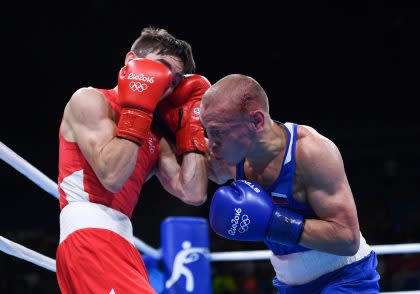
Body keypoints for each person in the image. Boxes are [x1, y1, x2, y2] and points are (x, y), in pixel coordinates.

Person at [56, 27, 210, 293]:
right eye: (160, 68)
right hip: (90, 240)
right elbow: (112, 177)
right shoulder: (91, 100)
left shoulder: (155, 138)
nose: (165, 83)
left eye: (174, 81)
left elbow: (193, 192)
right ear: (131, 61)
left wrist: (191, 128)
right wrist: (138, 108)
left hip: (122, 247)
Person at [203, 74, 380, 293]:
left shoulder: (311, 153)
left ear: (256, 121)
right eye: (208, 132)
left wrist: (274, 222)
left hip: (345, 279)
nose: (211, 144)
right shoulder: (230, 156)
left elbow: (347, 238)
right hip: (289, 285)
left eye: (217, 132)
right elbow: (189, 190)